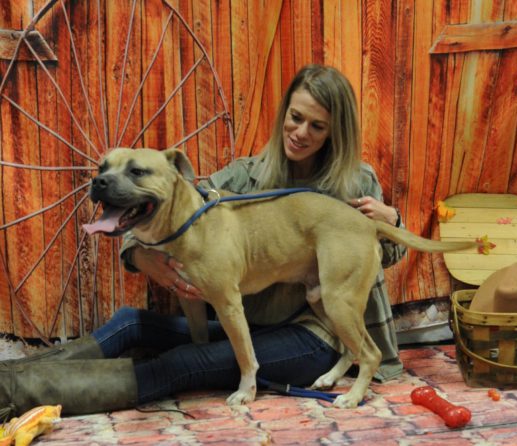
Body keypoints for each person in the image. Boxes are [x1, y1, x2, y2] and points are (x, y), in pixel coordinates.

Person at [0, 64, 406, 417]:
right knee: (130, 323)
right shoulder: (246, 175)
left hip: (308, 337)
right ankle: (10, 377)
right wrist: (141, 255)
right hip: (246, 324)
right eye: (295, 118)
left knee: (180, 364)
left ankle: (16, 394)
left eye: (316, 126)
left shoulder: (355, 181)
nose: (300, 133)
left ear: (336, 131)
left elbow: (381, 256)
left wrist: (392, 220)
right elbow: (170, 202)